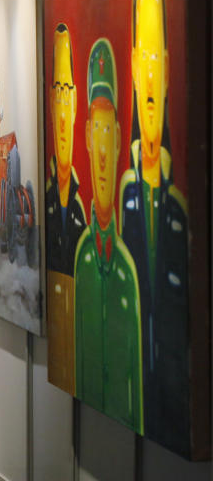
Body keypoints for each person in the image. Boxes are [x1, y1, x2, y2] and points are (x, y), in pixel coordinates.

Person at [119, 0, 189, 453]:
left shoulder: (181, 215)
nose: (146, 73)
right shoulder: (122, 200)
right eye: (139, 55)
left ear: (166, 68)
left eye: (154, 56)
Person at [73, 38, 143, 433]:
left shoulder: (127, 276)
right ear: (87, 135)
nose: (101, 151)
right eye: (94, 130)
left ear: (118, 138)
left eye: (108, 130)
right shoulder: (82, 262)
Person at [45, 23, 86, 394]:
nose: (61, 105)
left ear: (75, 108)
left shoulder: (84, 214)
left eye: (67, 91)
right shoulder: (41, 203)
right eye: (56, 92)